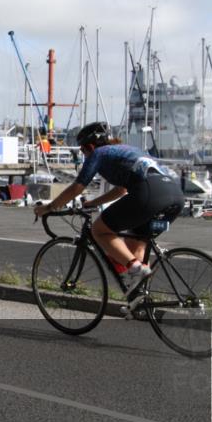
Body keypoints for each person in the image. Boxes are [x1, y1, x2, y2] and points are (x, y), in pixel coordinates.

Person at [34, 122, 184, 296]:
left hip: (149, 193)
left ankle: (136, 269)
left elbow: (77, 188)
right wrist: (93, 203)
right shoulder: (126, 150)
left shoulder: (99, 153)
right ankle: (141, 298)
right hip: (175, 196)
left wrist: (49, 207)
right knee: (135, 245)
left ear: (90, 146)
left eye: (83, 150)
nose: (83, 154)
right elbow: (121, 190)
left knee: (99, 230)